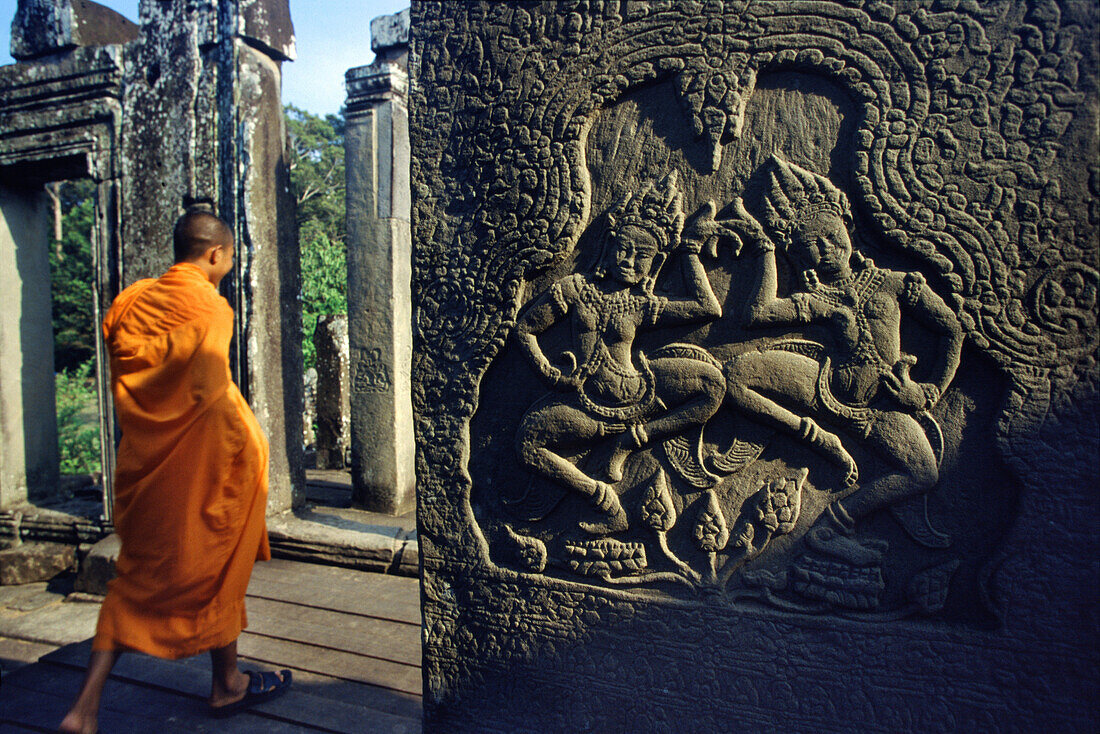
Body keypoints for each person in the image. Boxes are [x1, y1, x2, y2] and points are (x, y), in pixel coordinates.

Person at [60, 206, 291, 734]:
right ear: (216, 255)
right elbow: (209, 397)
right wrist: (248, 451)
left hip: (147, 471)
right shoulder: (209, 309)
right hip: (206, 474)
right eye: (229, 258)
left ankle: (84, 708)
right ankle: (226, 683)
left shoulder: (133, 302)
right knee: (216, 573)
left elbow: (158, 386)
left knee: (133, 583)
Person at [720, 156, 963, 564]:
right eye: (811, 246)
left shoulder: (894, 283)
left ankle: (830, 530)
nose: (827, 250)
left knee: (923, 473)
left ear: (846, 227)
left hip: (880, 408)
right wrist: (764, 248)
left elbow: (952, 330)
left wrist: (929, 390)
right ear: (800, 256)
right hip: (824, 385)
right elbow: (757, 314)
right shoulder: (821, 299)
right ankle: (813, 437)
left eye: (831, 236)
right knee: (737, 374)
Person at [514, 173, 726, 534]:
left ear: (655, 263)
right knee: (527, 444)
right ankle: (606, 502)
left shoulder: (641, 304)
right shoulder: (576, 288)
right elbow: (526, 328)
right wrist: (548, 372)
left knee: (713, 385)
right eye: (622, 249)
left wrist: (689, 250)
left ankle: (631, 440)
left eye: (641, 256)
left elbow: (709, 308)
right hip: (585, 403)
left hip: (640, 394)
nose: (628, 261)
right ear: (607, 247)